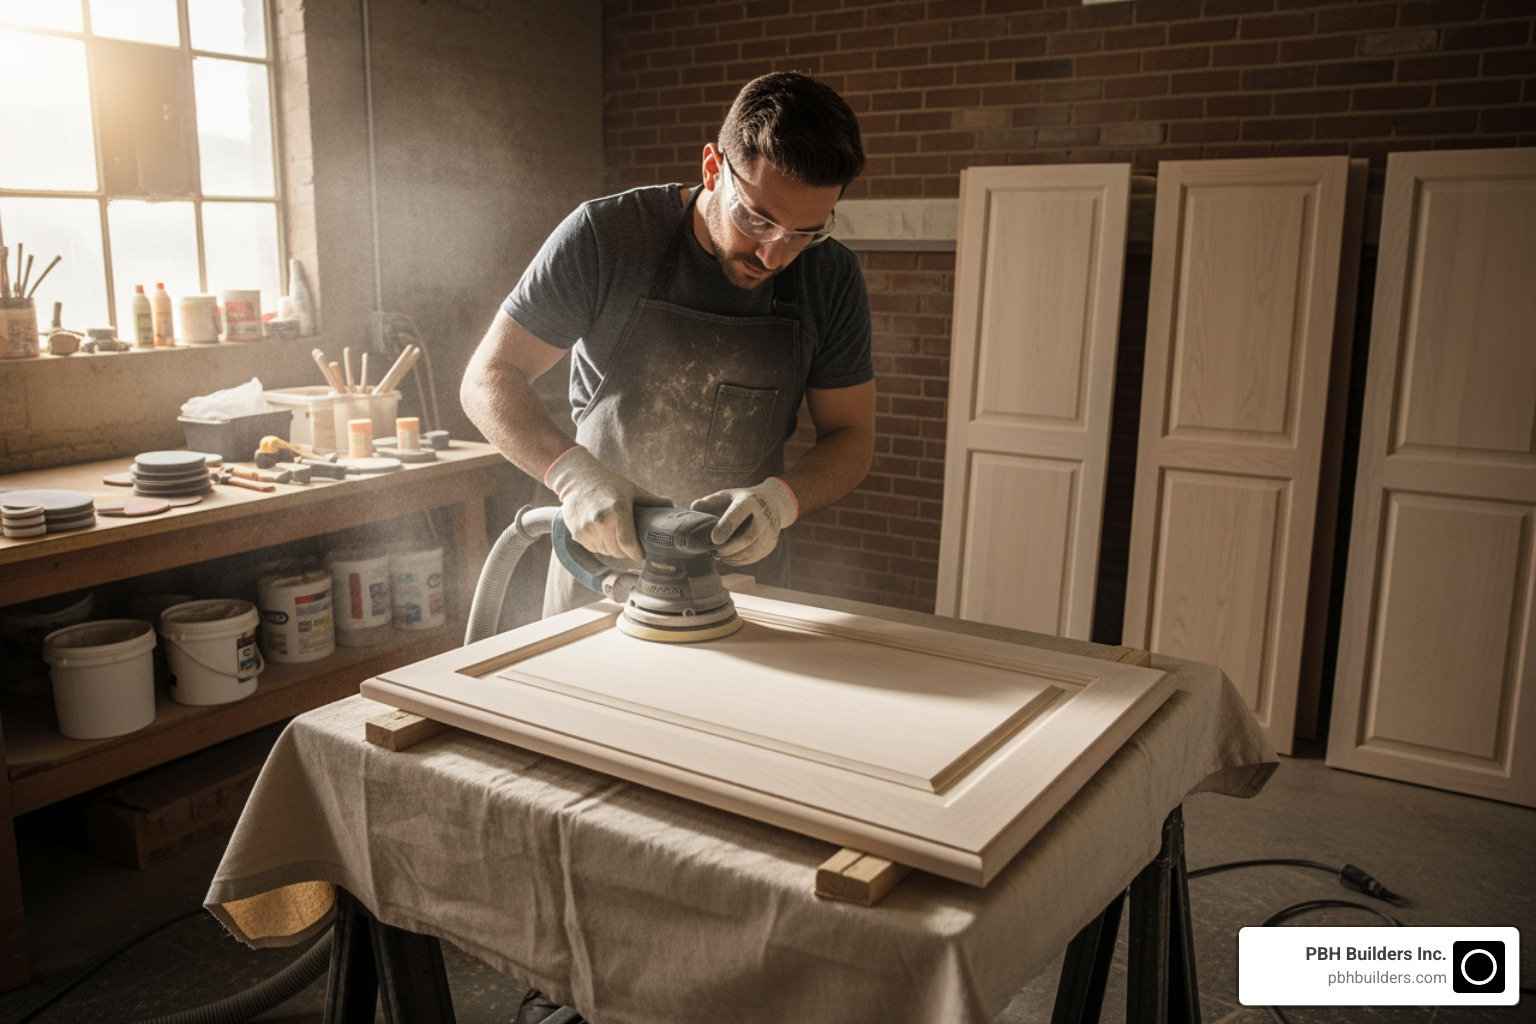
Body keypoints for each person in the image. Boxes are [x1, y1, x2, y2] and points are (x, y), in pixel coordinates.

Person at [462, 71, 875, 618]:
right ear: (712, 169)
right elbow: (489, 377)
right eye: (757, 218)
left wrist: (782, 502)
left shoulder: (831, 277)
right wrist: (573, 476)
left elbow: (851, 435)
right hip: (599, 574)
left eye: (805, 233)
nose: (775, 255)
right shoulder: (607, 238)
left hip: (740, 585)